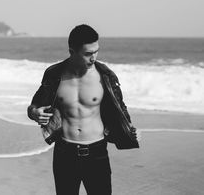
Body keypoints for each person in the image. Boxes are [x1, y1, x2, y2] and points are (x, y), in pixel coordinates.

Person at [27, 24, 139, 195]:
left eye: (96, 51)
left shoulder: (106, 76)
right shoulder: (54, 74)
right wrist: (35, 113)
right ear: (72, 51)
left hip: (97, 153)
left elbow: (120, 107)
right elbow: (34, 105)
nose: (94, 57)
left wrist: (129, 128)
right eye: (88, 53)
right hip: (64, 154)